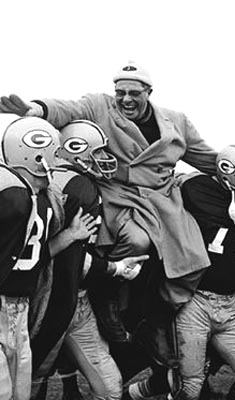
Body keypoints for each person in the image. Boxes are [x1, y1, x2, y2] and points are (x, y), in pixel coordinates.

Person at [0, 61, 217, 312]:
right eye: (120, 92)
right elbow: (69, 109)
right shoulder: (100, 106)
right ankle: (108, 295)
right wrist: (37, 109)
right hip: (119, 193)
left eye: (134, 93)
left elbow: (208, 159)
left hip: (163, 198)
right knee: (137, 241)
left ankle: (162, 313)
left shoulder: (177, 122)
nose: (126, 99)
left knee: (193, 256)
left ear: (149, 93)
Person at [127, 144, 235, 400]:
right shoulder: (195, 189)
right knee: (189, 386)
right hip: (192, 301)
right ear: (225, 179)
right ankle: (133, 392)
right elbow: (163, 187)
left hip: (230, 305)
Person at [29, 119, 150, 400]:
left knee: (37, 379)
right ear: (75, 150)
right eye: (97, 152)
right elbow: (72, 262)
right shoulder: (81, 187)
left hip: (54, 297)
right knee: (32, 380)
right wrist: (117, 268)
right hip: (53, 300)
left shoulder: (51, 180)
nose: (105, 159)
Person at [0, 117, 97, 400]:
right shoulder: (10, 194)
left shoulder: (42, 199)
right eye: (54, 154)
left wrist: (69, 236)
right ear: (33, 153)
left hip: (21, 309)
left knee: (19, 393)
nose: (57, 163)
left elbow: (31, 256)